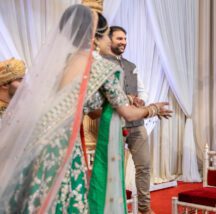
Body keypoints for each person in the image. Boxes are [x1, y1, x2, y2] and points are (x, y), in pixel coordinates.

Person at [0, 4, 171, 214]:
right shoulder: (103, 67)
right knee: (64, 200)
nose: (110, 39)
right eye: (108, 34)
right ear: (95, 35)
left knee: (37, 198)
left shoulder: (63, 62)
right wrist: (153, 109)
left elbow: (89, 110)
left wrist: (117, 100)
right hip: (62, 142)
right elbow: (127, 113)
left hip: (37, 136)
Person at [102, 25, 151, 214]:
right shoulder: (102, 65)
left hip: (136, 124)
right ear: (109, 40)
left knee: (144, 166)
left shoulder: (131, 65)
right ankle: (115, 208)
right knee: (114, 170)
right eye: (119, 39)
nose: (124, 42)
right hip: (113, 123)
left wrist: (141, 100)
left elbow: (142, 88)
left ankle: (145, 208)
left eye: (125, 39)